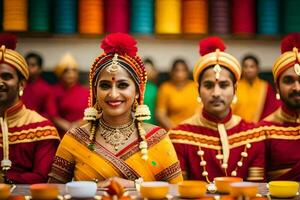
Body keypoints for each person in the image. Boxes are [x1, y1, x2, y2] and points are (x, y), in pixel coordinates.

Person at [48, 33, 183, 187]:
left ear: (137, 91)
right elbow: (54, 191)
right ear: (94, 90)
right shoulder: (75, 139)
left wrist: (132, 186)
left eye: (122, 85)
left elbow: (177, 192)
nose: (113, 94)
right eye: (105, 85)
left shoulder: (158, 139)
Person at [169, 37, 265, 183]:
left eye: (224, 85)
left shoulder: (253, 134)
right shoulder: (180, 136)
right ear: (198, 90)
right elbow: (179, 191)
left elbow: (256, 191)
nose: (216, 93)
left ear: (235, 89)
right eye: (208, 85)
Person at [0, 34, 60, 184]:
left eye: (6, 76)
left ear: (21, 84)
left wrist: (5, 180)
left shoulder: (41, 127)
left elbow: (42, 176)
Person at [260, 33, 300, 181]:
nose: (297, 87)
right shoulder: (263, 132)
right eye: (289, 81)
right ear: (277, 87)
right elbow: (257, 189)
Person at [50, 53, 89, 137]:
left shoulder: (85, 92)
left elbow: (91, 114)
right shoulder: (53, 91)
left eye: (74, 70)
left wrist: (78, 124)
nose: (71, 74)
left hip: (83, 131)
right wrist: (69, 127)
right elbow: (53, 115)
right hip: (62, 133)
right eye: (66, 71)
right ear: (60, 73)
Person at [232, 54, 280, 122]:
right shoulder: (235, 86)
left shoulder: (265, 86)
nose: (249, 70)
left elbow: (274, 108)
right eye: (245, 66)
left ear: (258, 68)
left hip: (259, 128)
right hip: (238, 127)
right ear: (242, 69)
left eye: (252, 66)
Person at [156, 59, 199, 130]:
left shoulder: (194, 87)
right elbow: (160, 114)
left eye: (183, 70)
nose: (180, 74)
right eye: (177, 70)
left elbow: (200, 110)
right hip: (172, 131)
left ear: (188, 72)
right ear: (172, 72)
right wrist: (176, 129)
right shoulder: (165, 88)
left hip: (193, 128)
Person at [21, 52, 54, 119]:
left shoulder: (46, 89)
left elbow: (49, 114)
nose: (28, 68)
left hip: (37, 124)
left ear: (40, 69)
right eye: (26, 64)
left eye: (33, 65)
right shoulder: (18, 85)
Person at [143, 58, 158, 125]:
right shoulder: (136, 87)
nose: (147, 72)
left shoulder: (155, 88)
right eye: (145, 69)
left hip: (152, 124)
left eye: (149, 69)